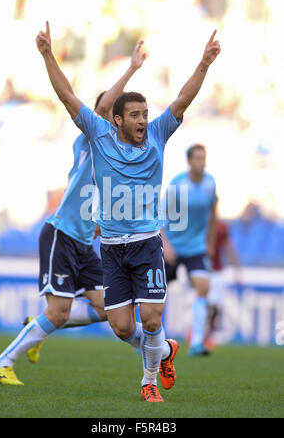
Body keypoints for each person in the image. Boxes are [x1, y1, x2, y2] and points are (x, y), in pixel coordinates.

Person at [28, 22, 219, 402]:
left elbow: (181, 100)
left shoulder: (159, 135)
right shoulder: (97, 135)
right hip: (112, 249)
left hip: (147, 243)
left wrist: (204, 63)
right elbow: (67, 97)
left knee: (151, 320)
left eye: (145, 113)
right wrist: (48, 54)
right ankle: (165, 350)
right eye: (135, 115)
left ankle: (149, 381)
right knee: (119, 326)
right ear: (117, 120)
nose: (143, 120)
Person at [0, 38, 147, 386]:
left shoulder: (120, 157)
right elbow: (103, 107)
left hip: (84, 242)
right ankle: (1, 363)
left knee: (106, 308)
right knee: (57, 313)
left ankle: (37, 325)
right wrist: (132, 68)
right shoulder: (93, 136)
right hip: (62, 234)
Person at [162, 144, 218, 357]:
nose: (201, 162)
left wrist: (210, 243)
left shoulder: (210, 183)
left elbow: (213, 212)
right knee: (156, 291)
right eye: (197, 158)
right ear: (189, 161)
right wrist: (165, 243)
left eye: (203, 158)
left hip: (196, 247)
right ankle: (150, 338)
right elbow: (159, 212)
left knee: (203, 286)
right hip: (173, 247)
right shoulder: (178, 184)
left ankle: (196, 342)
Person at [205, 217, 240, 348]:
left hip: (217, 272)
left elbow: (229, 247)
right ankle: (201, 335)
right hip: (202, 270)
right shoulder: (201, 222)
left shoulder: (222, 226)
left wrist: (237, 270)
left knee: (214, 306)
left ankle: (207, 335)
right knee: (205, 304)